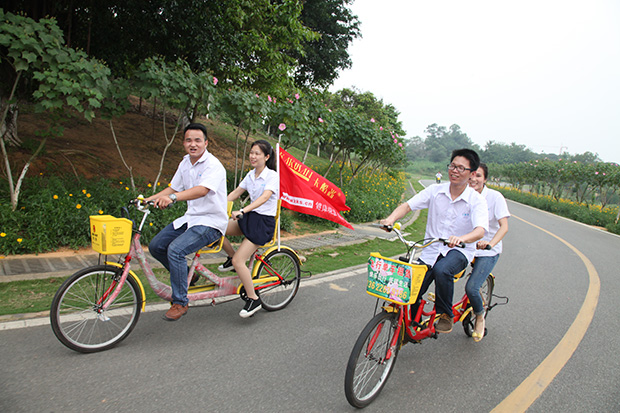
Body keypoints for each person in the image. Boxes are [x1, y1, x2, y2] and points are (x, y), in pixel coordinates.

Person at [381, 149, 488, 333]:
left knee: (442, 269)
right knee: (412, 288)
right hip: (431, 249)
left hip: (459, 251)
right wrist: (391, 219)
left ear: (471, 174)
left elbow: (480, 230)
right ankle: (412, 326)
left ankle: (445, 314)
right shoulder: (435, 191)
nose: (454, 171)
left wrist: (461, 238)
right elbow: (408, 206)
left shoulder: (476, 200)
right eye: (453, 166)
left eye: (461, 168)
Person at [146, 123, 228, 321]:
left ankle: (180, 302)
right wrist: (148, 199)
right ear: (183, 143)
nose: (193, 144)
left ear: (206, 143)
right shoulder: (185, 163)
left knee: (175, 250)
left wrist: (173, 199)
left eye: (197, 140)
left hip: (211, 223)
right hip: (191, 219)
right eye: (189, 140)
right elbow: (173, 188)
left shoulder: (213, 165)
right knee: (156, 246)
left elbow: (202, 190)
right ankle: (188, 276)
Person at [218, 140, 278, 318]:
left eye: (257, 153)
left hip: (262, 223)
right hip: (250, 218)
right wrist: (217, 206)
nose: (253, 156)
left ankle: (253, 299)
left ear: (266, 157)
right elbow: (236, 193)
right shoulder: (250, 175)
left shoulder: (272, 176)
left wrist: (243, 210)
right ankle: (230, 256)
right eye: (252, 152)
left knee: (239, 261)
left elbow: (265, 198)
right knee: (215, 228)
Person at [466, 162, 510, 342]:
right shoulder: (463, 194)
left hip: (486, 251)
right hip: (465, 247)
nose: (473, 179)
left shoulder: (495, 197)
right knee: (440, 271)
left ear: (485, 179)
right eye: (471, 175)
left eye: (478, 176)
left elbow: (504, 227)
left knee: (472, 287)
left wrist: (490, 244)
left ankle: (479, 316)